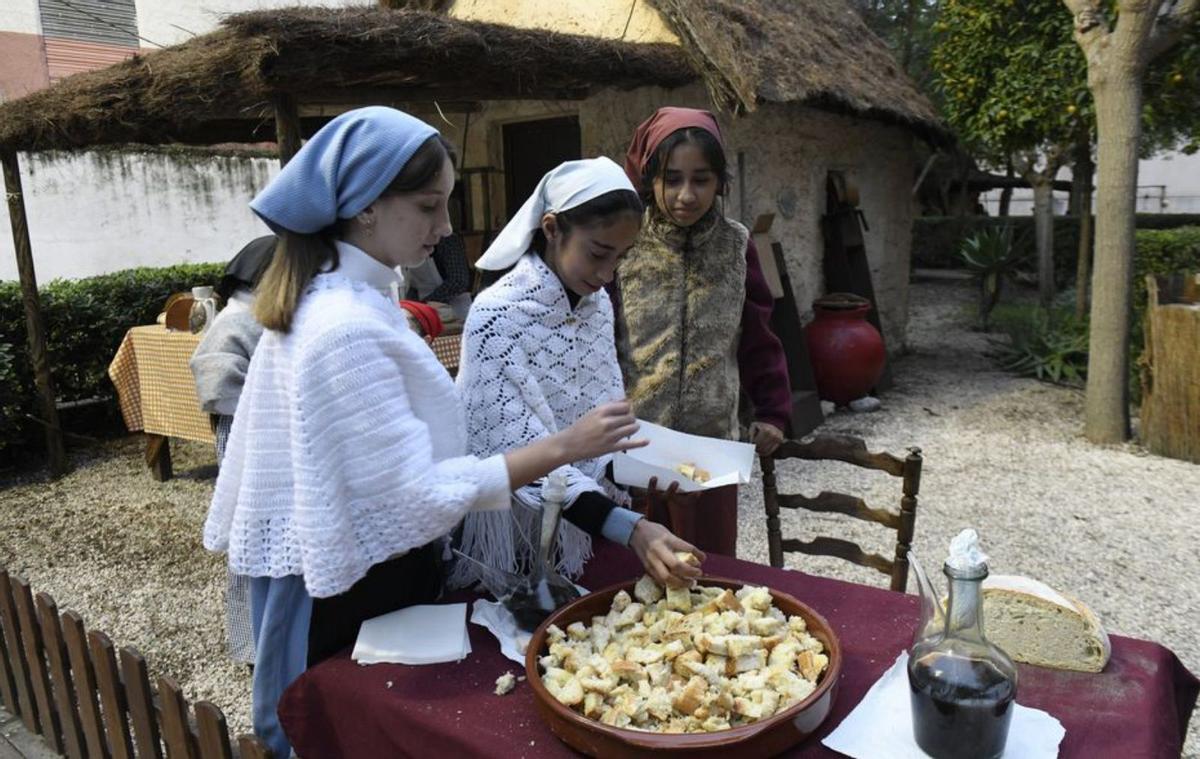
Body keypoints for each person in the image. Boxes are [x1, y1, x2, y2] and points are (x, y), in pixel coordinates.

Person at [202, 107, 645, 757]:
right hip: (342, 588)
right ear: (364, 207)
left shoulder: (346, 298)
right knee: (341, 729)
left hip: (354, 570)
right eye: (429, 206)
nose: (445, 229)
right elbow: (416, 495)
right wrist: (562, 447)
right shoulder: (343, 326)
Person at [452, 158, 704, 592]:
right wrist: (629, 527)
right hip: (508, 537)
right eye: (598, 253)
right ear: (552, 229)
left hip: (576, 527)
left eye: (620, 258)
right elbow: (527, 459)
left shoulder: (595, 307)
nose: (607, 274)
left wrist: (647, 470)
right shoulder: (495, 317)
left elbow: (598, 428)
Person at [614, 107, 792, 557]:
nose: (686, 195)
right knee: (637, 570)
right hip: (637, 443)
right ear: (650, 178)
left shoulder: (736, 246)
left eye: (701, 180)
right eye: (672, 179)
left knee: (708, 566)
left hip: (710, 449)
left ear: (720, 183)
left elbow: (757, 336)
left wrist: (773, 411)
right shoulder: (625, 242)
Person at [190, 234, 275, 665]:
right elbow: (216, 389)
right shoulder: (236, 319)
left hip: (263, 436)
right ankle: (253, 645)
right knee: (250, 537)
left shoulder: (257, 314)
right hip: (244, 437)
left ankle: (267, 640)